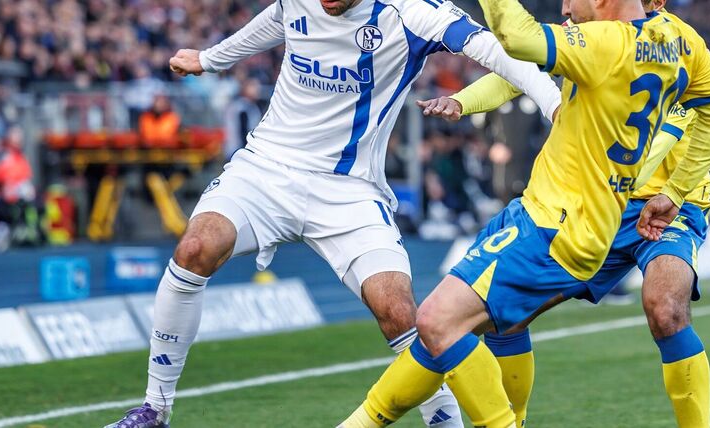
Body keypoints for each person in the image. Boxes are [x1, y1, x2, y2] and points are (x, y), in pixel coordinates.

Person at [105, 0, 562, 427]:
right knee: (195, 247)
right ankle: (155, 407)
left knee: (400, 312)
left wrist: (553, 104)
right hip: (266, 168)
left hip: (350, 190)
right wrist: (211, 59)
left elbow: (503, 54)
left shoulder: (414, 13)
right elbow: (278, 18)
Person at [340, 0, 710, 426]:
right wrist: (464, 101)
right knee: (485, 322)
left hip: (634, 207)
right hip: (601, 205)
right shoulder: (626, 41)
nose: (565, 7)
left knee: (665, 307)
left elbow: (665, 139)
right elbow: (519, 72)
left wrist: (669, 191)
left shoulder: (639, 44)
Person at [222, 78, 262, 159]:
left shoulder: (250, 105)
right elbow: (243, 132)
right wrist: (247, 151)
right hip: (239, 150)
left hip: (241, 150)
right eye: (253, 86)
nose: (257, 89)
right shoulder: (242, 107)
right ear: (245, 88)